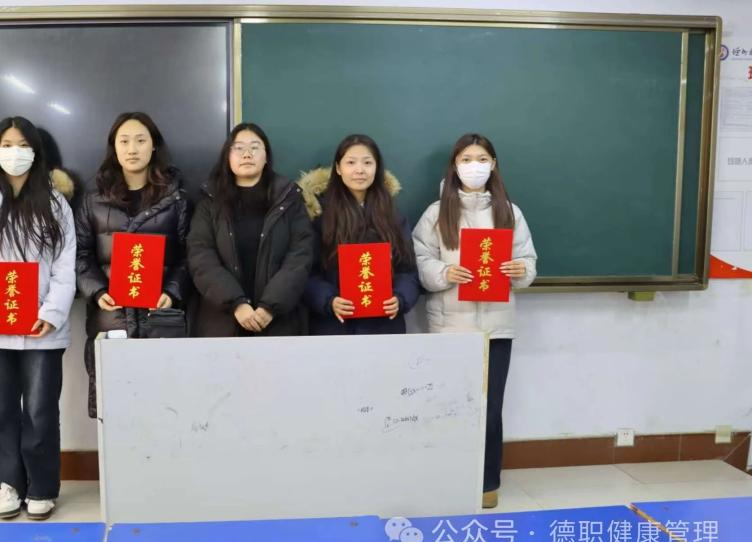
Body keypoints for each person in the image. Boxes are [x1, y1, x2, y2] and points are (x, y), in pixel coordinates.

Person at [0, 116, 77, 520]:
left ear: (36, 152)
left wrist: (52, 313)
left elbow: (66, 265)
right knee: (0, 408)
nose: (14, 152)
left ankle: (41, 487)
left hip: (43, 327)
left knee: (40, 409)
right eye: (7, 144)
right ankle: (9, 483)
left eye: (23, 145)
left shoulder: (55, 203)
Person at [411, 133, 537, 509]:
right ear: (454, 165)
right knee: (448, 405)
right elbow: (420, 260)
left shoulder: (510, 212)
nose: (474, 166)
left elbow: (528, 261)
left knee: (490, 409)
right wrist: (444, 273)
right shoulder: (436, 213)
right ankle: (446, 477)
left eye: (482, 159)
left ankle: (487, 482)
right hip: (450, 327)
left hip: (496, 328)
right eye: (466, 159)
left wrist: (520, 270)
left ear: (494, 165)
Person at [75, 112, 189, 417]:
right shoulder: (93, 200)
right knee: (115, 414)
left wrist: (172, 291)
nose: (132, 149)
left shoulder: (177, 199)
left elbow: (189, 255)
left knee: (165, 410)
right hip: (111, 320)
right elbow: (80, 255)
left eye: (140, 140)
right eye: (124, 141)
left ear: (154, 146)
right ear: (114, 147)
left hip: (160, 318)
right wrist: (98, 292)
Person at [188, 123, 314, 337]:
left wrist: (270, 306)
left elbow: (300, 256)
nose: (247, 154)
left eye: (255, 147)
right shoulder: (209, 200)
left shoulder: (289, 198)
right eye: (238, 148)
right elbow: (200, 256)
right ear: (227, 156)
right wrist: (236, 303)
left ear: (266, 156)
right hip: (221, 322)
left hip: (279, 321)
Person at [303, 134, 419, 335]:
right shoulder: (320, 215)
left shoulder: (393, 216)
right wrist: (329, 300)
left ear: (377, 168)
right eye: (351, 162)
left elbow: (408, 271)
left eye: (367, 162)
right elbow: (306, 273)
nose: (359, 170)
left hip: (384, 326)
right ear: (338, 168)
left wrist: (400, 298)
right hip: (334, 327)